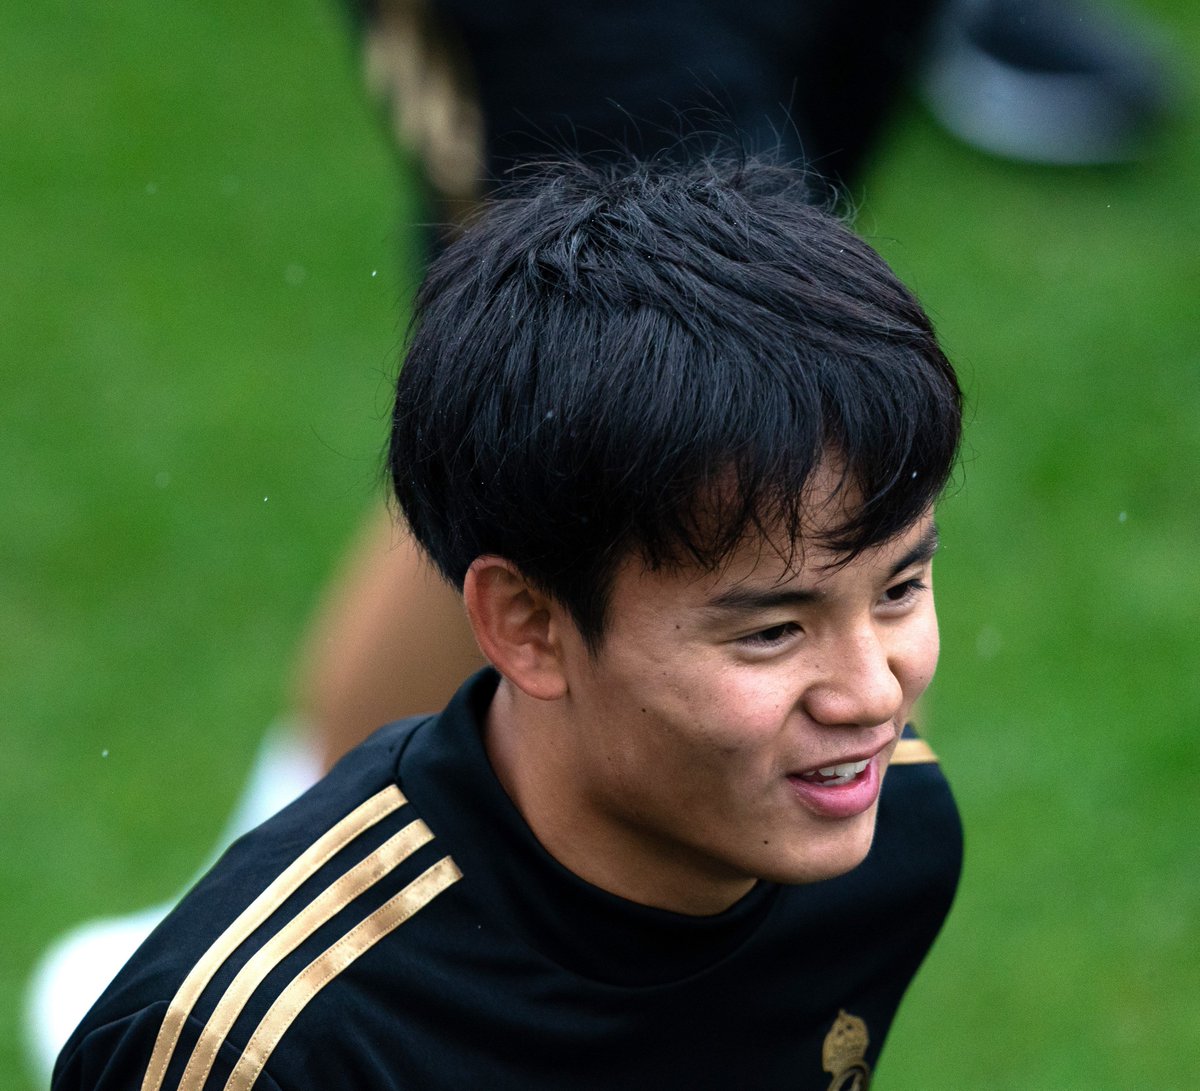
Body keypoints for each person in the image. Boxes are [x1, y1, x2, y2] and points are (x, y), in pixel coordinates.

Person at [53, 155, 964, 1090]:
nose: (872, 696)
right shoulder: (267, 1051)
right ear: (528, 624)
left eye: (899, 588)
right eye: (772, 632)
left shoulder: (892, 840)